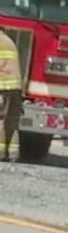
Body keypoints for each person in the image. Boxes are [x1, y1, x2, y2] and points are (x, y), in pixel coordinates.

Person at [0, 30, 22, 162]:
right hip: (15, 88)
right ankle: (13, 153)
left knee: (1, 120)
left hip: (3, 87)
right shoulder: (8, 41)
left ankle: (1, 153)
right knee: (12, 121)